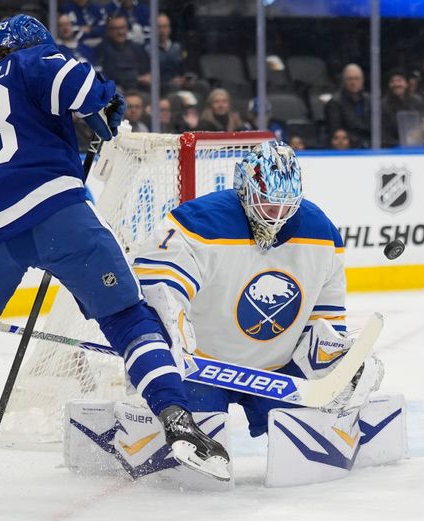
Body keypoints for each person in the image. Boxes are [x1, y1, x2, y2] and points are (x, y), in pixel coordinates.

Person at [0, 14, 229, 505]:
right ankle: (177, 419)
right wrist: (107, 99)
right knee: (125, 316)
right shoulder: (30, 60)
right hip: (53, 213)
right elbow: (80, 86)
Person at [65, 141, 397, 487]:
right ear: (245, 190)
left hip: (276, 370)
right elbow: (159, 286)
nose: (277, 217)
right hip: (204, 367)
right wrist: (173, 331)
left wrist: (338, 359)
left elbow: (325, 320)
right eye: (268, 204)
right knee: (192, 465)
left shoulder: (321, 233)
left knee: (314, 447)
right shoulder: (199, 222)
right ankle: (120, 429)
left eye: (286, 206)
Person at [325, 64, 370, 148]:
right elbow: (336, 132)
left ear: (362, 80)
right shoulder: (335, 103)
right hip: (348, 148)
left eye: (357, 79)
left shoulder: (370, 101)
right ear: (344, 81)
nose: (353, 82)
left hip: (370, 145)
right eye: (349, 79)